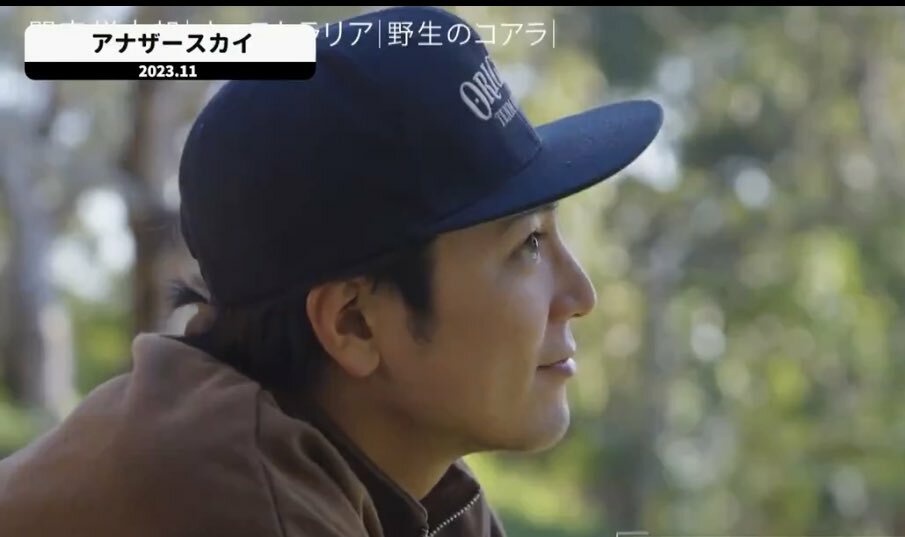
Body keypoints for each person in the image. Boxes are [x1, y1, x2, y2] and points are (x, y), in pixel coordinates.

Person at [0, 5, 662, 537]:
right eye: (529, 245)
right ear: (353, 323)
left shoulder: (416, 480)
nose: (581, 294)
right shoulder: (237, 498)